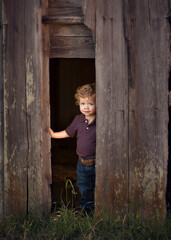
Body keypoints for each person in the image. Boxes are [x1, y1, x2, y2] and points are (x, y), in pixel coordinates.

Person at [49, 83, 96, 212]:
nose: (86, 107)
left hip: (98, 163)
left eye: (90, 104)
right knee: (83, 187)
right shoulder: (78, 120)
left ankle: (98, 210)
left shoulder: (101, 121)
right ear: (78, 103)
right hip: (82, 163)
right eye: (83, 104)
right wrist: (53, 135)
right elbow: (68, 132)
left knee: (98, 187)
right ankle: (86, 211)